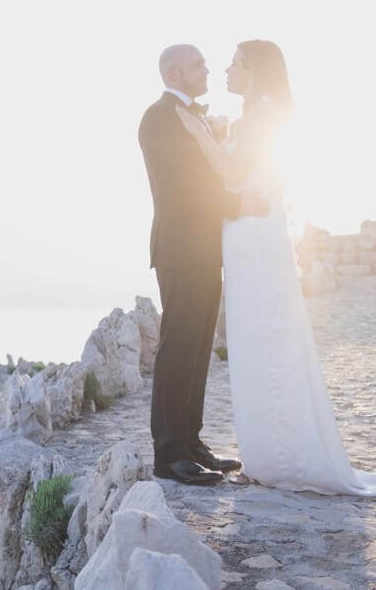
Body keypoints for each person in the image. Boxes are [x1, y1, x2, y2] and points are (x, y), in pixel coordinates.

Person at [174, 39, 376, 496]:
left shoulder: (262, 112)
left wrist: (200, 131)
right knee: (253, 340)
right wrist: (221, 129)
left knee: (264, 338)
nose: (226, 71)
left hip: (254, 235)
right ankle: (266, 456)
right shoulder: (257, 113)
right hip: (245, 232)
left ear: (254, 70)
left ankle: (276, 459)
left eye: (234, 64)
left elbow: (230, 171)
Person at [138, 44, 268, 486]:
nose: (207, 69)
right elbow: (180, 189)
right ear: (174, 73)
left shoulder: (190, 116)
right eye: (198, 65)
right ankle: (168, 453)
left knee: (197, 349)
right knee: (177, 348)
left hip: (205, 248)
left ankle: (191, 443)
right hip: (179, 248)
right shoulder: (159, 117)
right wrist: (237, 203)